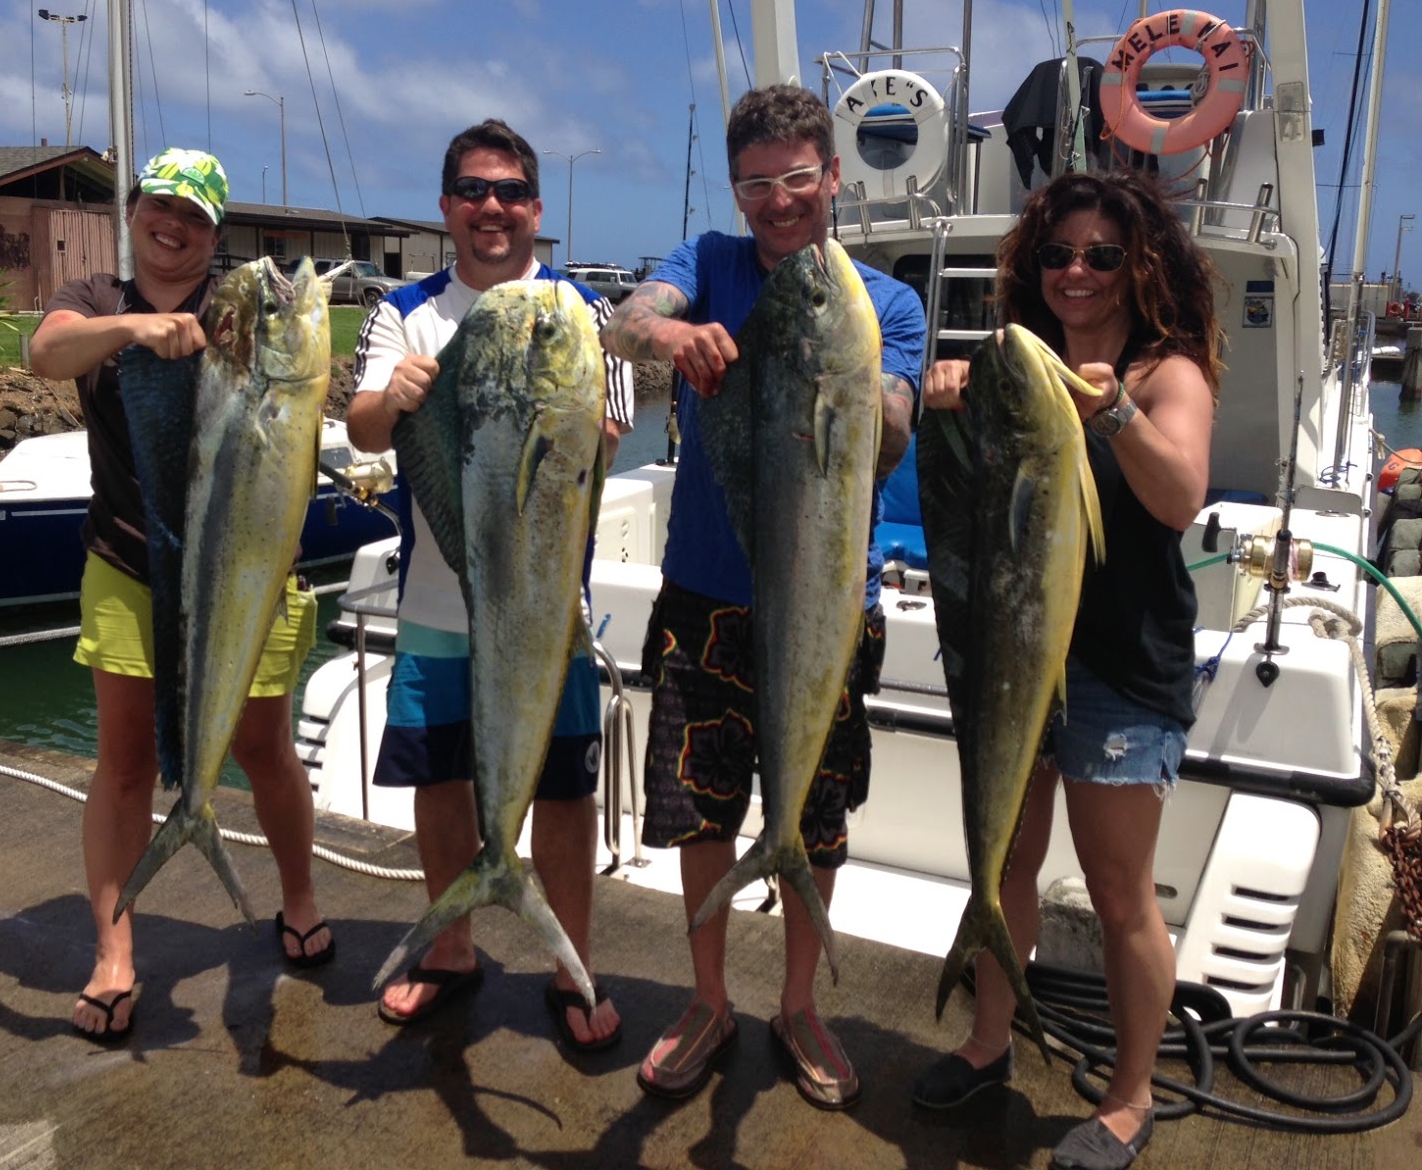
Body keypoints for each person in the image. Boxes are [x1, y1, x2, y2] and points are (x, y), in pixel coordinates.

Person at [600, 84, 925, 1109]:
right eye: (757, 184)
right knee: (700, 808)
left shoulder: (886, 304)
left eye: (797, 178)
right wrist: (671, 341)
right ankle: (707, 1000)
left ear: (832, 175)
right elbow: (624, 321)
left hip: (829, 604)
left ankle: (796, 1004)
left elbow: (896, 429)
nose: (779, 202)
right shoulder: (709, 263)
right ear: (735, 191)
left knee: (815, 814)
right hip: (703, 594)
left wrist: (852, 387)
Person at [911, 170, 1221, 1170]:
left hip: (1119, 667)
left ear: (1139, 265)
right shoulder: (1015, 365)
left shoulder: (1164, 373)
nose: (1076, 272)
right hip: (1011, 649)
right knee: (1004, 862)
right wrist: (944, 397)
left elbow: (1177, 500)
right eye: (1056, 255)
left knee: (1118, 888)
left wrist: (1115, 416)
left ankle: (1130, 1098)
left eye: (1099, 255)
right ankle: (987, 1041)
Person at [31, 148, 332, 1042]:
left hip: (248, 570)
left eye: (196, 217)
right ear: (133, 212)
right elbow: (44, 352)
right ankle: (115, 951)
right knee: (122, 761)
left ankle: (301, 897)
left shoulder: (237, 313)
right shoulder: (94, 298)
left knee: (264, 748)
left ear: (215, 234)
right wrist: (131, 331)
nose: (175, 226)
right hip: (126, 563)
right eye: (161, 206)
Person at [346, 119, 633, 1050]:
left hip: (549, 611)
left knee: (561, 789)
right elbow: (360, 428)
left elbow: (611, 432)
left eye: (509, 192)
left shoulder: (580, 312)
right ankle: (451, 949)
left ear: (535, 210)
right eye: (472, 191)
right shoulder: (407, 309)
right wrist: (395, 400)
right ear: (446, 208)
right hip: (435, 600)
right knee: (441, 781)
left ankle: (570, 965)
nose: (492, 208)